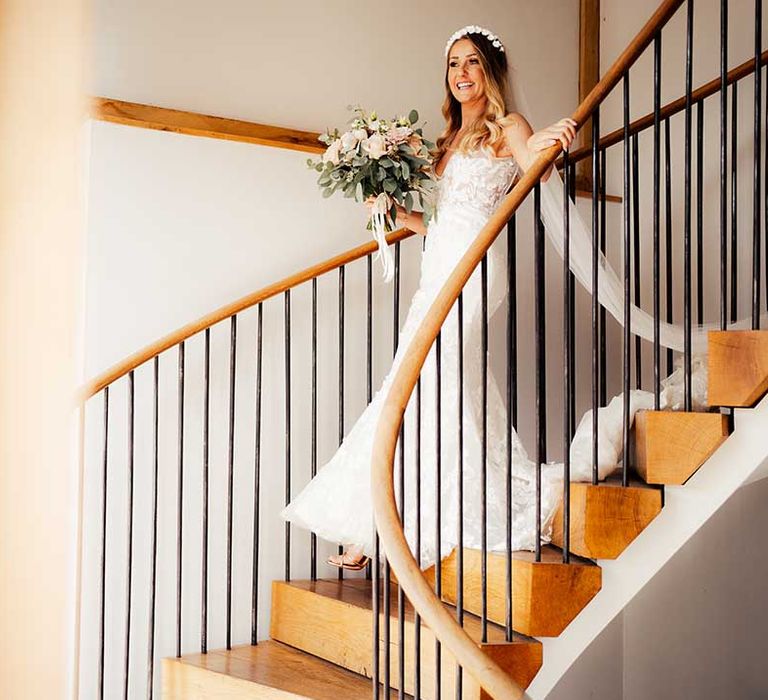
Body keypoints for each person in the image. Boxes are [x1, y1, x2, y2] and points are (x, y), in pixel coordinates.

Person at [281, 25, 577, 570]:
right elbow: (439, 222)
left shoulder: (507, 125)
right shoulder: (447, 141)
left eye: (471, 63)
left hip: (477, 270)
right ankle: (381, 523)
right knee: (418, 384)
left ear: (490, 72)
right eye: (453, 65)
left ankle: (377, 527)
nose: (461, 74)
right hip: (437, 268)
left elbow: (532, 157)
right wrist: (394, 214)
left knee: (427, 379)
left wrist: (550, 138)